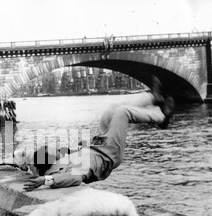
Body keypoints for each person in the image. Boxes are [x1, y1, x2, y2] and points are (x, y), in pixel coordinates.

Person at [16, 77, 175, 191]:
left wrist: (24, 162)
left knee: (111, 110)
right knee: (122, 113)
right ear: (50, 161)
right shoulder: (59, 171)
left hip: (97, 145)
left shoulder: (50, 158)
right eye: (56, 153)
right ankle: (161, 117)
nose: (59, 151)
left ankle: (154, 98)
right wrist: (45, 180)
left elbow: (25, 156)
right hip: (108, 156)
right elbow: (76, 179)